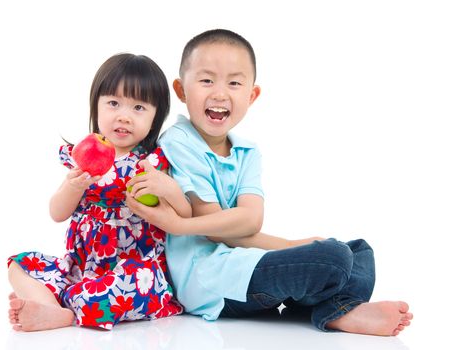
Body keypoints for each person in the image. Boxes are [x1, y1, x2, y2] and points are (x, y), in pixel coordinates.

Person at [126, 29, 413, 336]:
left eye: (234, 83)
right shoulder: (180, 141)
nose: (220, 93)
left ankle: (337, 310)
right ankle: (337, 309)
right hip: (211, 282)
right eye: (206, 80)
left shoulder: (247, 152)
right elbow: (214, 226)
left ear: (252, 95)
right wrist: (292, 246)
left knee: (357, 250)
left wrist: (293, 246)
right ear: (182, 91)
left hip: (248, 263)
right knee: (334, 259)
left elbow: (250, 220)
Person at [7, 53, 189, 331]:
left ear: (155, 119)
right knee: (19, 266)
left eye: (139, 107)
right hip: (80, 270)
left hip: (132, 270)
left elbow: (184, 219)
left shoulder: (151, 163)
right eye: (113, 103)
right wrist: (73, 185)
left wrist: (171, 190)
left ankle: (67, 311)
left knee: (126, 288)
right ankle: (53, 309)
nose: (124, 116)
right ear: (96, 107)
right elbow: (57, 213)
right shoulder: (83, 156)